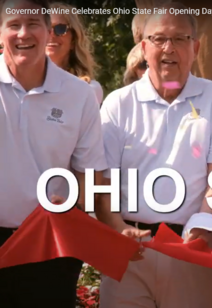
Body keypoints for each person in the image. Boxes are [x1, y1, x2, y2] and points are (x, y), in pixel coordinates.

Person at [97, 3, 212, 307]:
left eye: (180, 39)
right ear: (143, 45)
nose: (169, 48)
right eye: (159, 38)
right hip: (129, 249)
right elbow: (103, 180)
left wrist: (201, 225)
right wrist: (115, 228)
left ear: (196, 47)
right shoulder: (118, 103)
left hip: (194, 247)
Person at [0, 0, 107, 306]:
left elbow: (90, 174)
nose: (24, 33)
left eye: (33, 23)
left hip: (51, 245)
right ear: (0, 33)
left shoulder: (80, 95)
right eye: (13, 24)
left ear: (47, 32)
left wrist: (74, 202)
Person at [45, 2, 103, 104]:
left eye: (60, 29)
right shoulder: (21, 85)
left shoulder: (88, 89)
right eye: (46, 29)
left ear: (73, 41)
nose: (52, 35)